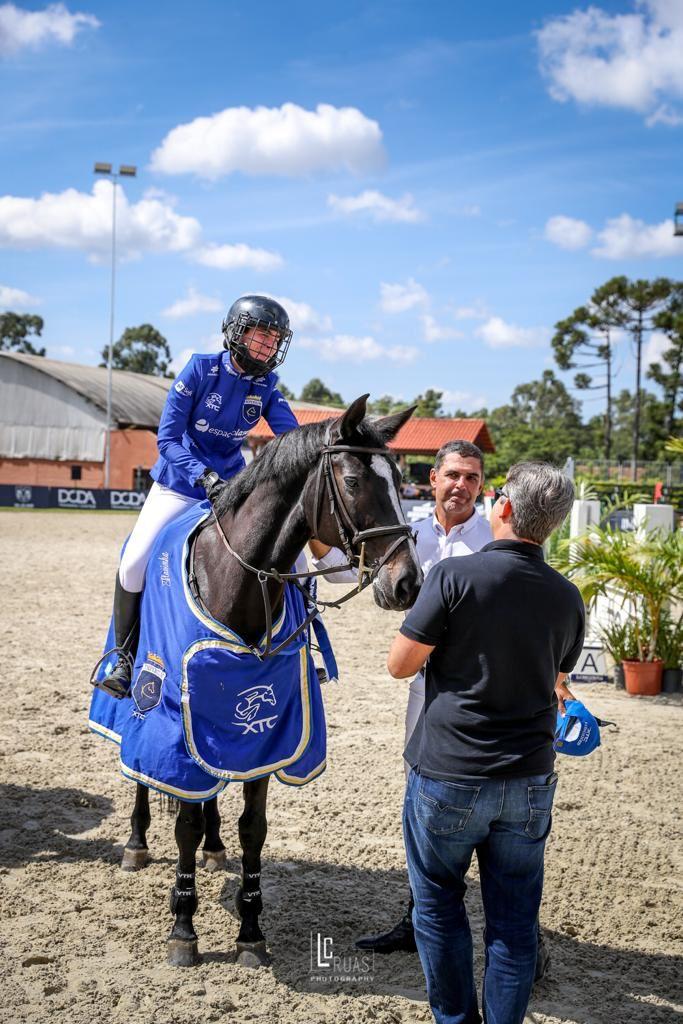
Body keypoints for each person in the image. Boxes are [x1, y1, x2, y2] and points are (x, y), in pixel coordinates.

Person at [388, 462, 585, 1024]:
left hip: (451, 770)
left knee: (438, 907)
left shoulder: (453, 577)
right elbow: (557, 678)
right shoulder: (569, 597)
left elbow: (400, 666)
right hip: (528, 777)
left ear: (502, 507)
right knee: (514, 923)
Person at [310, 440, 493, 953]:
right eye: (453, 475)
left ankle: (512, 933)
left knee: (487, 811)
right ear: (432, 478)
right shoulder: (404, 527)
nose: (461, 486)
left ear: (481, 485)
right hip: (424, 684)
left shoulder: (494, 536)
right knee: (422, 802)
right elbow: (348, 572)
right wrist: (317, 536)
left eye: (472, 478)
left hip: (484, 690)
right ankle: (419, 920)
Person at [102, 294, 299, 697]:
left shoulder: (267, 387)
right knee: (134, 562)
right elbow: (168, 438)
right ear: (236, 333)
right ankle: (122, 656)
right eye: (261, 337)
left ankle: (303, 646)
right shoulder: (199, 370)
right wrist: (202, 475)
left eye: (274, 341)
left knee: (287, 552)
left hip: (231, 487)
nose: (267, 347)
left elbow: (292, 438)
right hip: (180, 484)